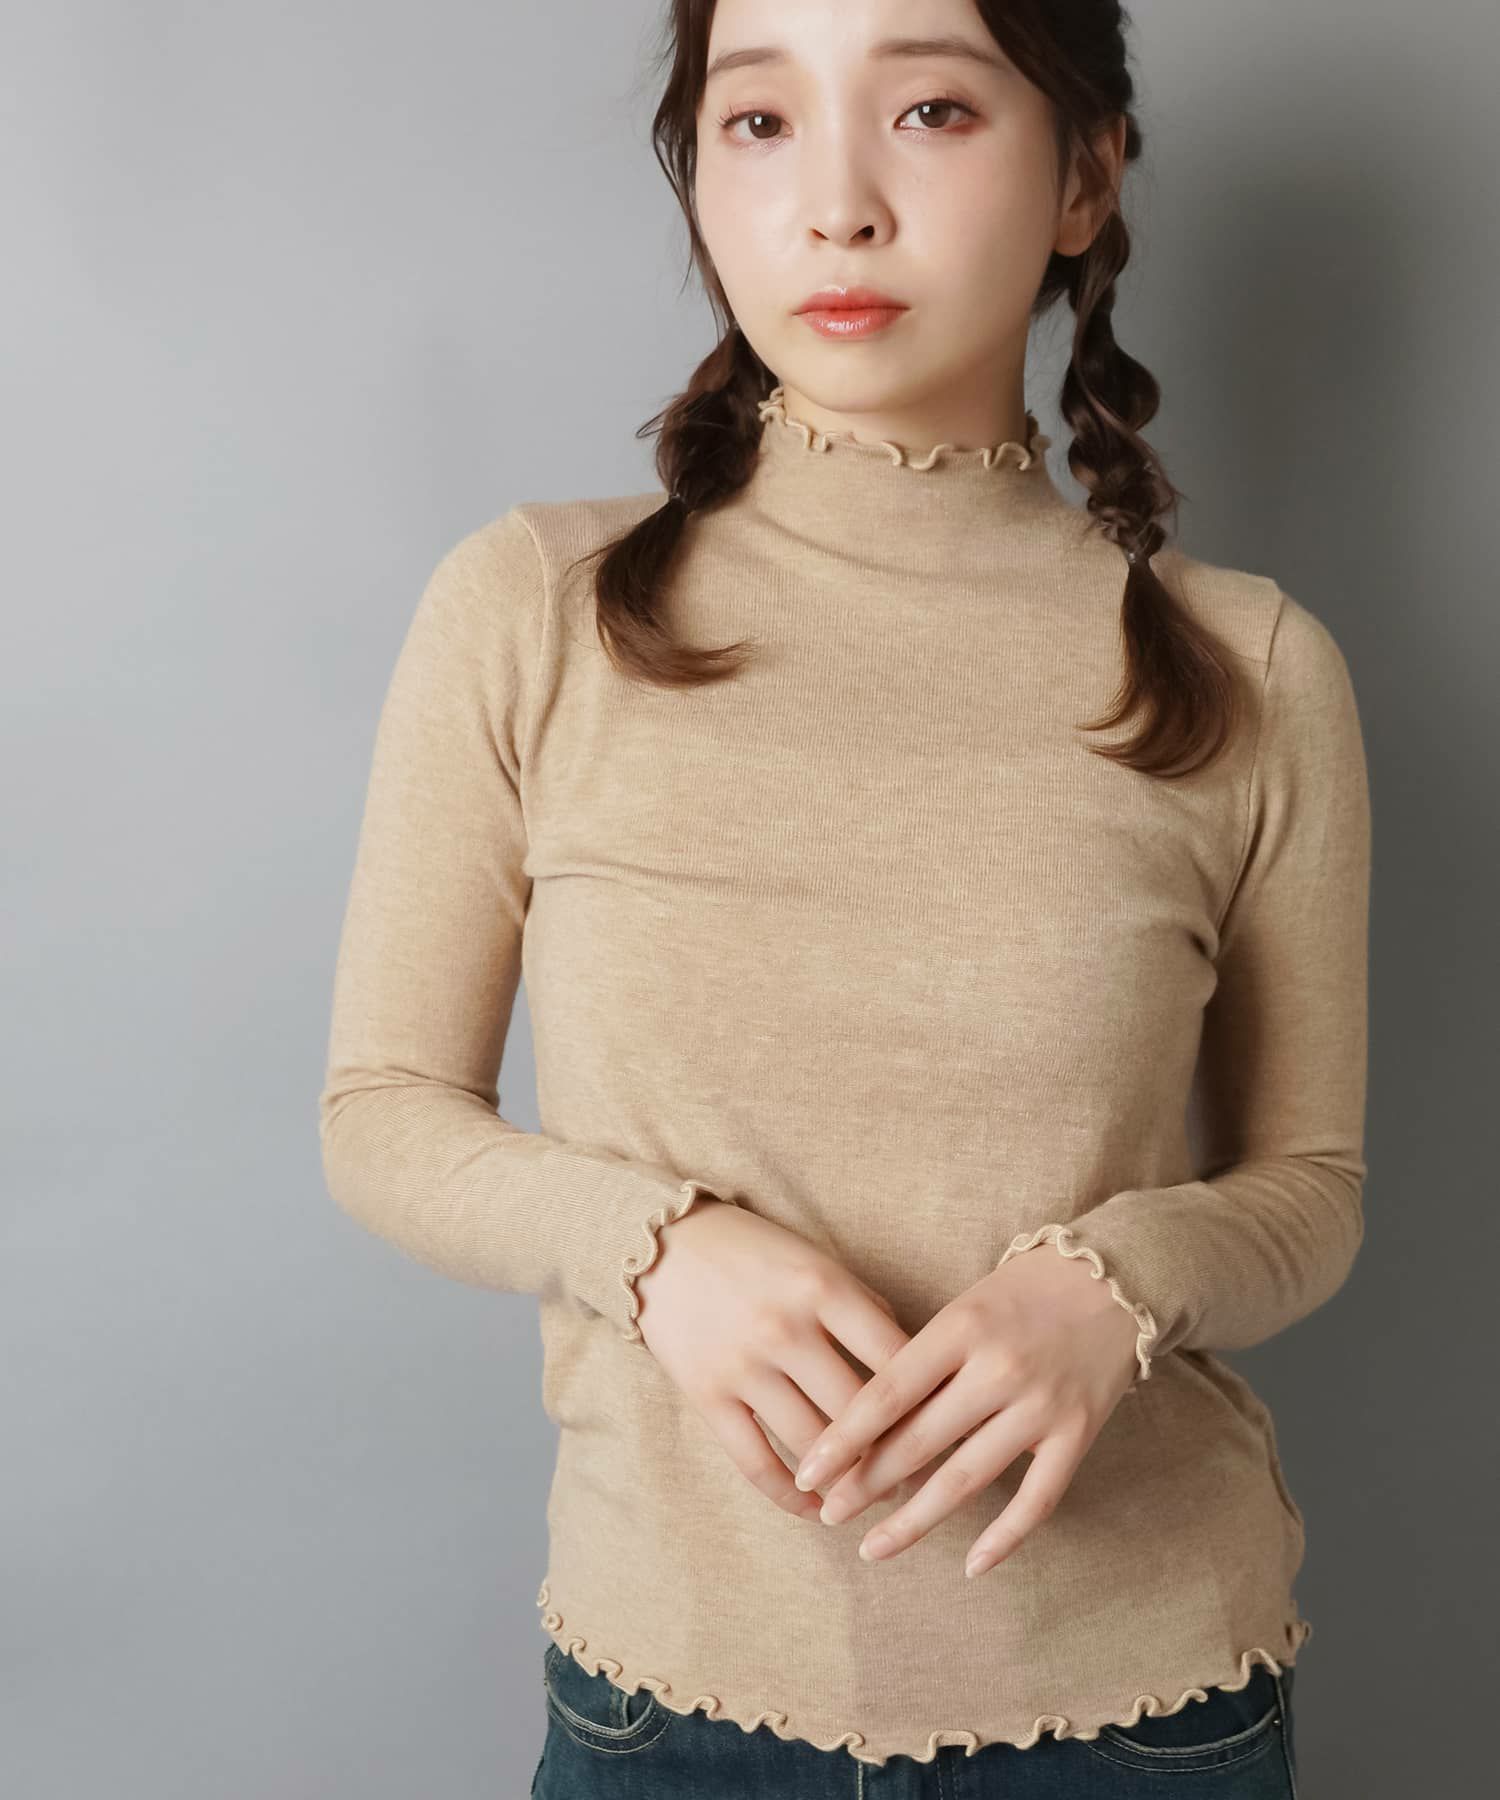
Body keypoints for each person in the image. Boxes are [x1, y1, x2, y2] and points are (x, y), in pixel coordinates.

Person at [318, 1, 1369, 1794]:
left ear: (1085, 176)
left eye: (933, 111)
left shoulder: (1249, 667)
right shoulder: (531, 611)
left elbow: (1311, 1191)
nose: (838, 203)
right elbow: (382, 1113)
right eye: (758, 123)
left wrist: (1120, 1283)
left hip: (1142, 1715)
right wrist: (652, 1248)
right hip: (666, 1701)